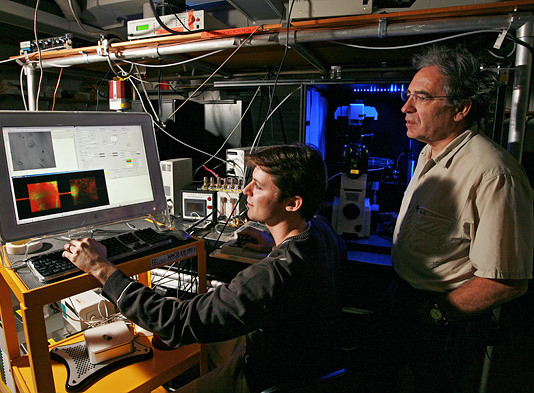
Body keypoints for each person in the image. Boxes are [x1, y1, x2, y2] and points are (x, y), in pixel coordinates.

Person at [62, 143, 349, 393]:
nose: (245, 190)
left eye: (258, 187)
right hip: (299, 358)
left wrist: (102, 269)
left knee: (181, 331)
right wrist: (271, 241)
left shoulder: (273, 275)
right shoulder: (321, 232)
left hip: (264, 377)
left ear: (292, 203)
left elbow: (176, 322)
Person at [361, 45, 533, 393]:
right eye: (409, 96)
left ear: (461, 109)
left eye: (421, 98)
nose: (405, 107)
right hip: (401, 296)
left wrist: (435, 314)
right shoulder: (429, 150)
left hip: (443, 317)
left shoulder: (494, 174)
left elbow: (507, 280)